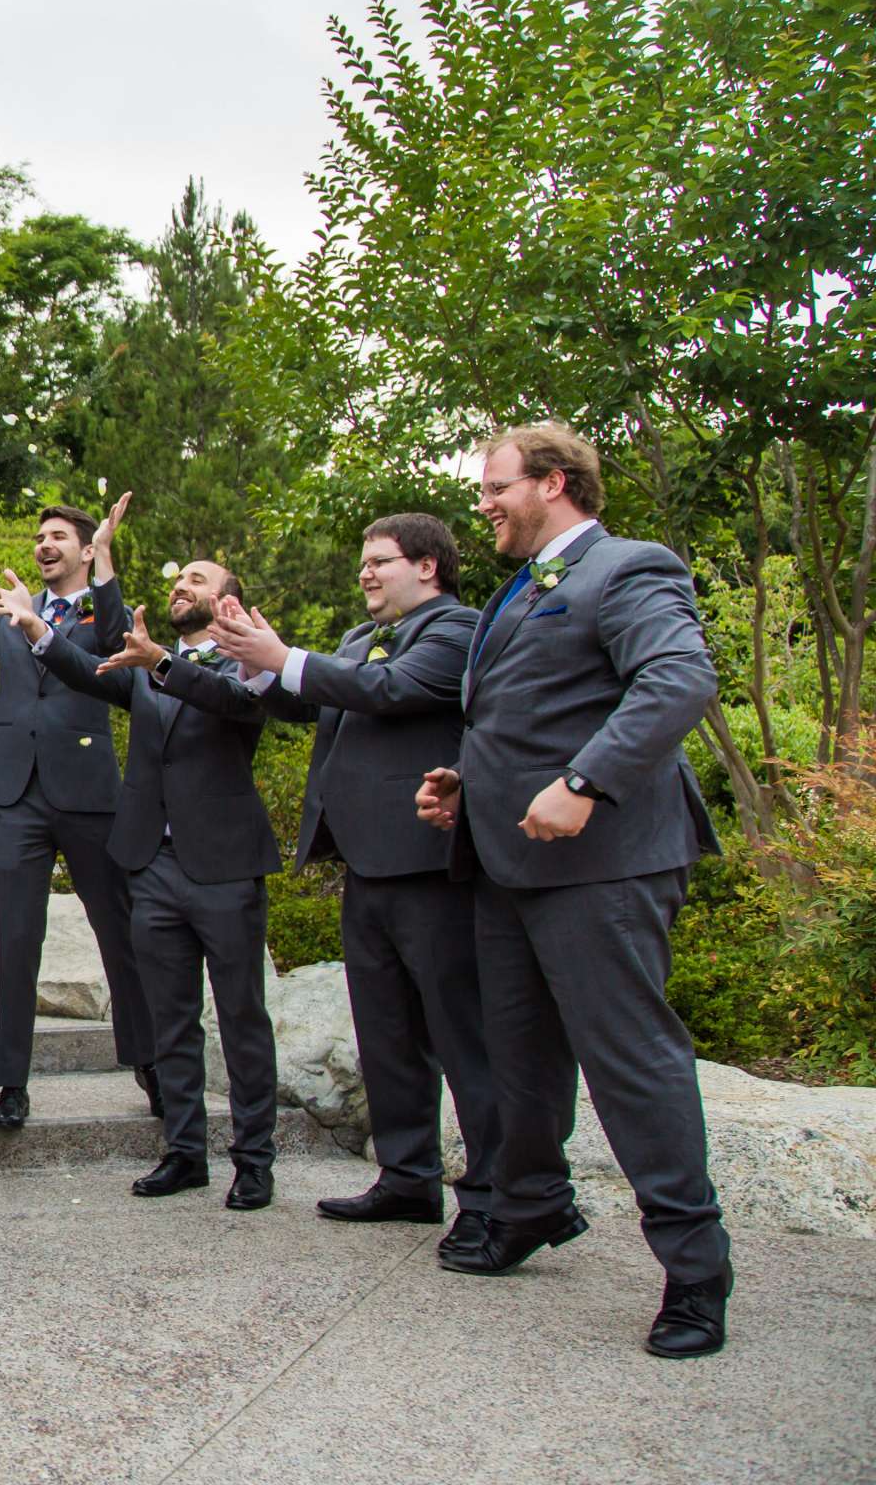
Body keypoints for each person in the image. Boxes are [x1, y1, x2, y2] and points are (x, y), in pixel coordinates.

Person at [416, 422, 730, 1359]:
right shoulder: (520, 587)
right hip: (510, 862)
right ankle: (531, 1206)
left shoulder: (629, 568)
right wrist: (469, 786)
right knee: (521, 1059)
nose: (484, 504)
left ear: (554, 483)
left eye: (495, 486)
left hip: (604, 865)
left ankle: (695, 1270)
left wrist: (585, 783)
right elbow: (534, 710)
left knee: (631, 1064)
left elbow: (679, 680)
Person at [206, 512, 501, 1264]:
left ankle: (495, 1196)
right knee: (387, 1033)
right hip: (365, 864)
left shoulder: (457, 630)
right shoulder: (353, 640)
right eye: (363, 563)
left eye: (381, 561)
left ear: (429, 566)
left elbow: (393, 690)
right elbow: (309, 703)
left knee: (460, 1039)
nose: (366, 573)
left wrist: (283, 654)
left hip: (433, 866)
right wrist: (259, 662)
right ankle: (406, 1178)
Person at [0, 553, 282, 1211]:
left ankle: (253, 1159)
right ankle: (185, 1151)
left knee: (242, 1017)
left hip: (225, 867)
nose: (180, 586)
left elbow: (229, 702)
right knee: (172, 1018)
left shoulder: (251, 665)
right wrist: (36, 629)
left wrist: (160, 664)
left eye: (198, 580)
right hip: (154, 865)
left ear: (228, 600)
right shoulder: (146, 665)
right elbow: (86, 672)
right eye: (178, 579)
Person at [0, 493, 157, 1127]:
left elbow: (119, 661)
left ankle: (152, 1062)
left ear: (85, 548)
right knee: (17, 939)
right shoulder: (10, 618)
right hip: (17, 796)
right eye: (40, 537)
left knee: (117, 934)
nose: (45, 545)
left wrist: (105, 570)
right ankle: (11, 1083)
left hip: (90, 794)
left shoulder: (103, 616)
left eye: (59, 538)